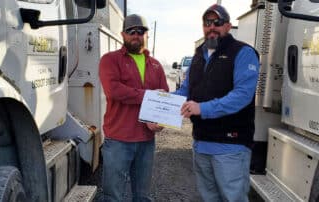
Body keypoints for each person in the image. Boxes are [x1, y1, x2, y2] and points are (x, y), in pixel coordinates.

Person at [174, 4, 260, 202]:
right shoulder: (198, 55)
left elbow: (241, 96)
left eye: (217, 22)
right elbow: (186, 91)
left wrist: (202, 108)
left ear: (228, 26)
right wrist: (162, 100)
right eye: (207, 22)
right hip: (201, 144)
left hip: (231, 146)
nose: (211, 26)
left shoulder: (243, 53)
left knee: (233, 198)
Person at [99, 14, 169, 202]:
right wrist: (148, 95)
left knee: (142, 196)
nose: (136, 35)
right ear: (123, 34)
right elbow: (114, 91)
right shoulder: (110, 60)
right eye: (131, 31)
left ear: (147, 35)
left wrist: (161, 121)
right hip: (118, 140)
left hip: (146, 141)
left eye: (141, 31)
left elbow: (164, 98)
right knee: (113, 195)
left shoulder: (156, 65)